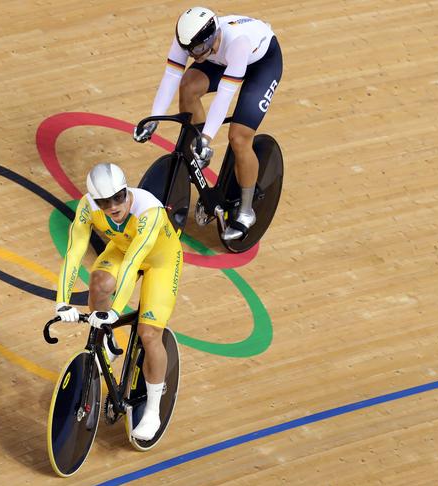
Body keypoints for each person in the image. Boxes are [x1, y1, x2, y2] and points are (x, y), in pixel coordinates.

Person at [54, 162, 183, 441]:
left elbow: (134, 262)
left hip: (160, 261)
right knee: (99, 282)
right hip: (124, 249)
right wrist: (61, 301)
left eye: (119, 197)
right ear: (94, 201)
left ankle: (152, 409)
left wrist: (114, 311)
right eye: (104, 202)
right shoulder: (87, 208)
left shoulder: (148, 211)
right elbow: (74, 252)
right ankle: (108, 344)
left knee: (149, 334)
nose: (113, 206)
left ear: (127, 190)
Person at [134, 6, 283, 240]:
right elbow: (172, 76)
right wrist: (154, 119)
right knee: (188, 86)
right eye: (189, 51)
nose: (194, 55)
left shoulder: (237, 43)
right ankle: (199, 155)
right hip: (221, 58)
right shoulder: (190, 39)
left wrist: (207, 138)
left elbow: (225, 96)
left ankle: (245, 211)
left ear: (212, 37)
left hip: (260, 65)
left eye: (199, 49)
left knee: (239, 137)